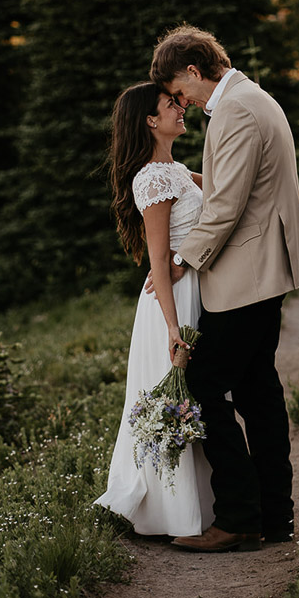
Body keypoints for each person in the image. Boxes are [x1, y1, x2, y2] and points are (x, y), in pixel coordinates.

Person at [148, 24, 299, 553]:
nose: (182, 101)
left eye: (181, 90)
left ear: (195, 71)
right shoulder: (244, 100)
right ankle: (273, 517)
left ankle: (240, 515)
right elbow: (228, 185)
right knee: (256, 392)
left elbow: (228, 206)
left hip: (249, 275)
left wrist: (181, 261)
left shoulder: (239, 108)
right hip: (259, 270)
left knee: (201, 386)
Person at [94, 81, 213, 537]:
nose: (181, 109)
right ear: (149, 120)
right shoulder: (152, 178)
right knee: (179, 400)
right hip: (173, 304)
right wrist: (171, 327)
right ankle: (170, 511)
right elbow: (157, 259)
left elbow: (223, 194)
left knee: (199, 400)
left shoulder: (177, 170)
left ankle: (206, 506)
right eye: (171, 104)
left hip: (195, 288)